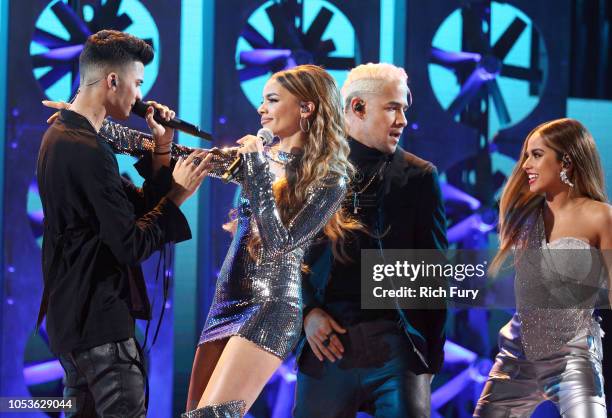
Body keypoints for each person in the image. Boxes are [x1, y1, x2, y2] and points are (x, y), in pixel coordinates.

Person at [37, 30, 210, 417]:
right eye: (137, 84)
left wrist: (161, 146)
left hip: (75, 326)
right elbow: (130, 243)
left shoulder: (62, 135)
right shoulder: (87, 149)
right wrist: (179, 194)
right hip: (101, 329)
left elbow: (133, 209)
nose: (138, 97)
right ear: (112, 80)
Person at [293, 63, 448, 418]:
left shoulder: (420, 177)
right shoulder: (312, 172)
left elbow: (433, 276)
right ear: (357, 107)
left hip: (397, 344)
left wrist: (429, 358)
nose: (403, 120)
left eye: (404, 109)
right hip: (327, 344)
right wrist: (306, 313)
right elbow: (284, 257)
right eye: (392, 108)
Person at [474, 118, 612, 417]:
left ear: (567, 161)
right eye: (526, 155)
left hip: (571, 358)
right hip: (516, 355)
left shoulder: (601, 216)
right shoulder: (527, 218)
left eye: (536, 155)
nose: (525, 165)